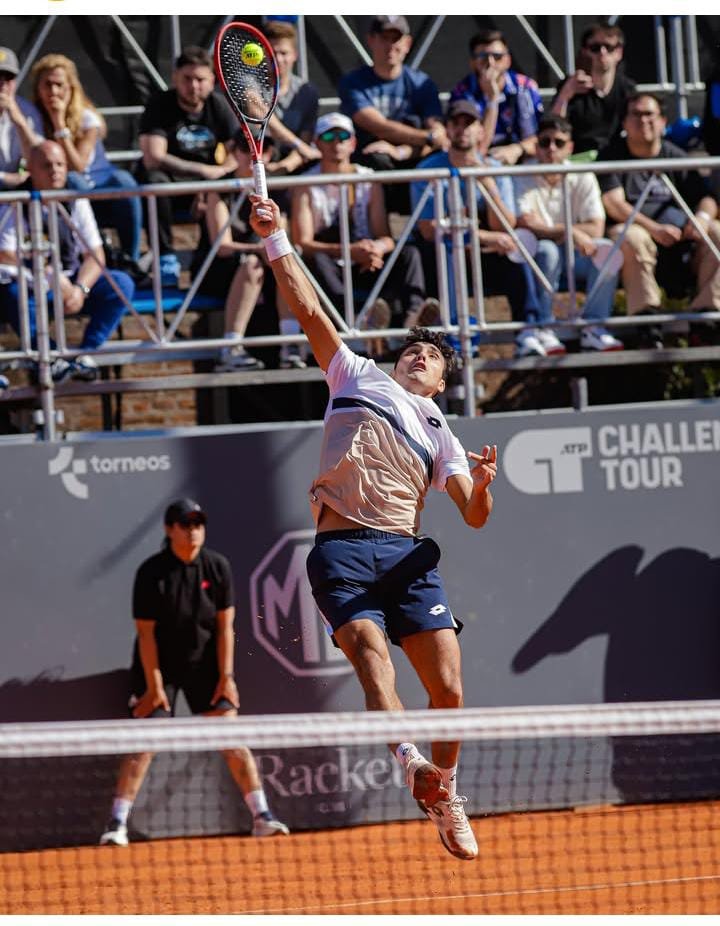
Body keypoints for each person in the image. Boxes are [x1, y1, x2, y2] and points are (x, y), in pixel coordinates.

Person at [249, 190, 499, 862]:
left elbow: (472, 516)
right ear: (395, 360)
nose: (419, 355)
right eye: (412, 349)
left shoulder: (443, 432)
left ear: (442, 380)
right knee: (369, 656)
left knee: (448, 687)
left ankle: (443, 793)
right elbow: (305, 304)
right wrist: (275, 239)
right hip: (340, 550)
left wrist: (486, 490)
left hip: (407, 556)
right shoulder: (353, 373)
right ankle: (410, 761)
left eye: (431, 356)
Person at [99, 498, 289, 847]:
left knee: (231, 737)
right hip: (158, 665)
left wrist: (226, 676)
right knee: (145, 740)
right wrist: (154, 687)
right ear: (169, 530)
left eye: (198, 524)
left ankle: (262, 816)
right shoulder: (151, 573)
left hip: (205, 665)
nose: (193, 531)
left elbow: (225, 627)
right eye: (185, 524)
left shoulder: (217, 567)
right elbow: (145, 635)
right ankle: (116, 823)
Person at [410, 99, 554, 355]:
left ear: (480, 130)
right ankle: (455, 332)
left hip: (485, 255)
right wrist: (486, 238)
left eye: (469, 123)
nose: (462, 129)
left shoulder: (495, 169)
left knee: (518, 247)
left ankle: (529, 330)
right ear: (447, 129)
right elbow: (429, 229)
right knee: (449, 248)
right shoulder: (428, 170)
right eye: (456, 123)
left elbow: (506, 225)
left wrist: (487, 183)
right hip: (446, 256)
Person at [291, 112, 433, 355]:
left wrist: (376, 248)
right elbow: (302, 242)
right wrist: (349, 251)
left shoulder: (368, 180)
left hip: (366, 261)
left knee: (407, 253)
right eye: (328, 136)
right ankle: (353, 326)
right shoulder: (305, 185)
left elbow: (384, 236)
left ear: (353, 143)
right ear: (317, 143)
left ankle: (412, 326)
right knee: (314, 261)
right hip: (331, 266)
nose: (336, 142)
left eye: (343, 136)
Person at [0, 140, 133, 383]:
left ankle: (86, 355)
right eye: (47, 165)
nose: (56, 171)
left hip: (71, 281)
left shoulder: (75, 199)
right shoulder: (15, 202)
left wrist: (80, 289)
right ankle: (51, 359)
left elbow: (95, 255)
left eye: (60, 164)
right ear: (31, 168)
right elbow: (6, 253)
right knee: (12, 293)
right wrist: (49, 276)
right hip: (31, 282)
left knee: (121, 283)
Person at [598, 92, 720, 348]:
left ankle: (706, 317)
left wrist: (701, 219)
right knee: (631, 236)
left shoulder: (676, 156)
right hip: (639, 235)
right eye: (636, 114)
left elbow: (706, 198)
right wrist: (654, 229)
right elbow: (614, 204)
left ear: (664, 121)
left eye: (650, 114)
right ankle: (647, 322)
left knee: (718, 232)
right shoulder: (612, 156)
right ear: (624, 123)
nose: (644, 121)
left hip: (683, 240)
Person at [192, 130, 304, 371]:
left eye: (261, 149)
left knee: (282, 262)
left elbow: (280, 234)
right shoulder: (221, 189)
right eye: (245, 149)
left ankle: (290, 344)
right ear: (234, 153)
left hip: (262, 267)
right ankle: (231, 349)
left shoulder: (276, 190)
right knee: (254, 264)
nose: (253, 155)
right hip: (220, 268)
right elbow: (222, 247)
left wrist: (267, 251)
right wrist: (259, 249)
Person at [513, 114, 624, 354]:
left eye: (559, 143)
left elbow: (596, 228)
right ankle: (545, 326)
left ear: (570, 147)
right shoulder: (521, 174)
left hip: (576, 257)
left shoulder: (582, 175)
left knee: (606, 249)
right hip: (541, 259)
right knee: (547, 250)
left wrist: (553, 230)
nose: (551, 148)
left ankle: (594, 326)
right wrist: (569, 230)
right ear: (536, 146)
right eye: (545, 142)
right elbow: (524, 224)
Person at [30, 53, 144, 271]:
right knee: (74, 182)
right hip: (69, 192)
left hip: (100, 189)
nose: (54, 92)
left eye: (59, 85)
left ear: (71, 87)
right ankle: (80, 256)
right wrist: (54, 120)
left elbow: (78, 164)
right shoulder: (33, 117)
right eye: (48, 85)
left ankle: (132, 258)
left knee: (125, 181)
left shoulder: (87, 117)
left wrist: (59, 123)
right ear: (38, 88)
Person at [136, 46, 238, 286]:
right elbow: (154, 157)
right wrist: (204, 172)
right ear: (175, 78)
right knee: (154, 182)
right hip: (169, 182)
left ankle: (209, 262)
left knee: (226, 189)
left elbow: (238, 153)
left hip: (206, 186)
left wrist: (215, 179)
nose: (194, 86)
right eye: (187, 79)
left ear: (212, 80)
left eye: (200, 80)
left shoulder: (219, 106)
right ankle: (165, 257)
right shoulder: (159, 104)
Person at [338, 15, 447, 213]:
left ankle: (425, 226)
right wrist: (428, 137)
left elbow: (439, 134)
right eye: (384, 38)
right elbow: (379, 127)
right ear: (371, 40)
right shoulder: (353, 82)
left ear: (407, 43)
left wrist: (402, 150)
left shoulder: (422, 83)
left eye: (395, 39)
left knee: (440, 157)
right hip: (371, 163)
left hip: (413, 157)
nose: (390, 46)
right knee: (378, 158)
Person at [449, 29, 543, 166]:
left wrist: (517, 149)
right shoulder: (462, 91)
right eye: (483, 57)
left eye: (497, 56)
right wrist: (493, 99)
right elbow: (477, 147)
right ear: (473, 62)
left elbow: (539, 139)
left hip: (520, 157)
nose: (491, 63)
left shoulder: (524, 86)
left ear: (508, 60)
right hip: (479, 160)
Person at [551, 23, 635, 159]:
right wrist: (565, 95)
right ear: (585, 51)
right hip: (576, 161)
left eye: (608, 47)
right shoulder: (570, 85)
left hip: (615, 162)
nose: (602, 53)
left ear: (619, 53)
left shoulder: (627, 89)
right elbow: (553, 129)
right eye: (595, 48)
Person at [262, 20, 320, 175]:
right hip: (256, 166)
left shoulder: (308, 92)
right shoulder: (250, 87)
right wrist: (300, 146)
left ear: (295, 54)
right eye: (272, 53)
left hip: (293, 169)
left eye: (283, 53)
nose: (278, 59)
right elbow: (269, 122)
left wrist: (284, 167)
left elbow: (306, 139)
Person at [0, 46, 43, 190]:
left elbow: (39, 157)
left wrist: (18, 119)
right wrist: (4, 177)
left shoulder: (27, 110)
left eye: (8, 77)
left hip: (19, 189)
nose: (2, 84)